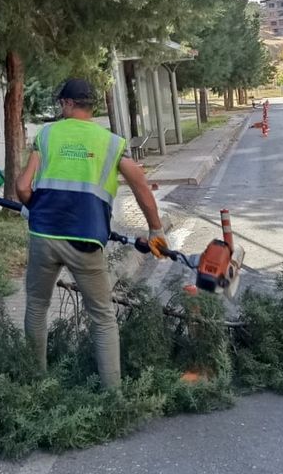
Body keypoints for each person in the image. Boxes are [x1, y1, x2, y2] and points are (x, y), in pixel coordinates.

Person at [15, 78, 168, 388]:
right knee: (101, 316)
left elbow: (22, 187)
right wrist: (155, 229)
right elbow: (140, 184)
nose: (60, 107)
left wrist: (35, 207)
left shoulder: (46, 135)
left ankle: (36, 384)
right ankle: (113, 393)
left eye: (61, 103)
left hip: (44, 235)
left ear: (68, 103)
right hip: (85, 240)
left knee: (37, 306)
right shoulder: (111, 143)